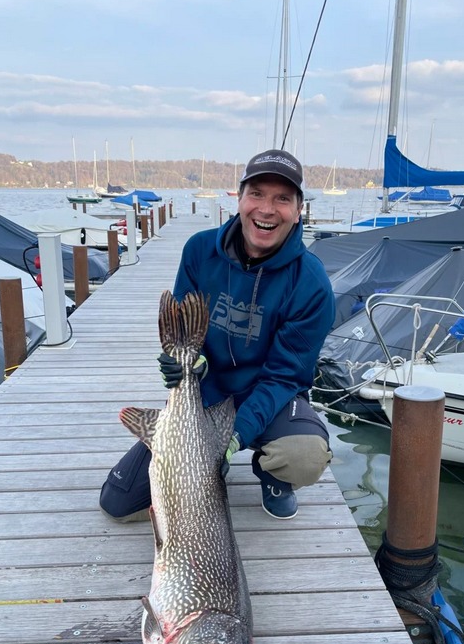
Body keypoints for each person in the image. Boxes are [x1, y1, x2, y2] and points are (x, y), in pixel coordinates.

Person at [100, 148, 335, 521]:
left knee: (303, 456)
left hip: (267, 398)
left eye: (282, 199)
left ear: (298, 209)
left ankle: (272, 476)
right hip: (205, 395)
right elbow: (182, 334)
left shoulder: (312, 284)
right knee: (117, 502)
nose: (267, 209)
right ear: (239, 199)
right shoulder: (199, 251)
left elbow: (283, 376)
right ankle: (197, 468)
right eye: (256, 193)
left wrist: (231, 439)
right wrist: (189, 364)